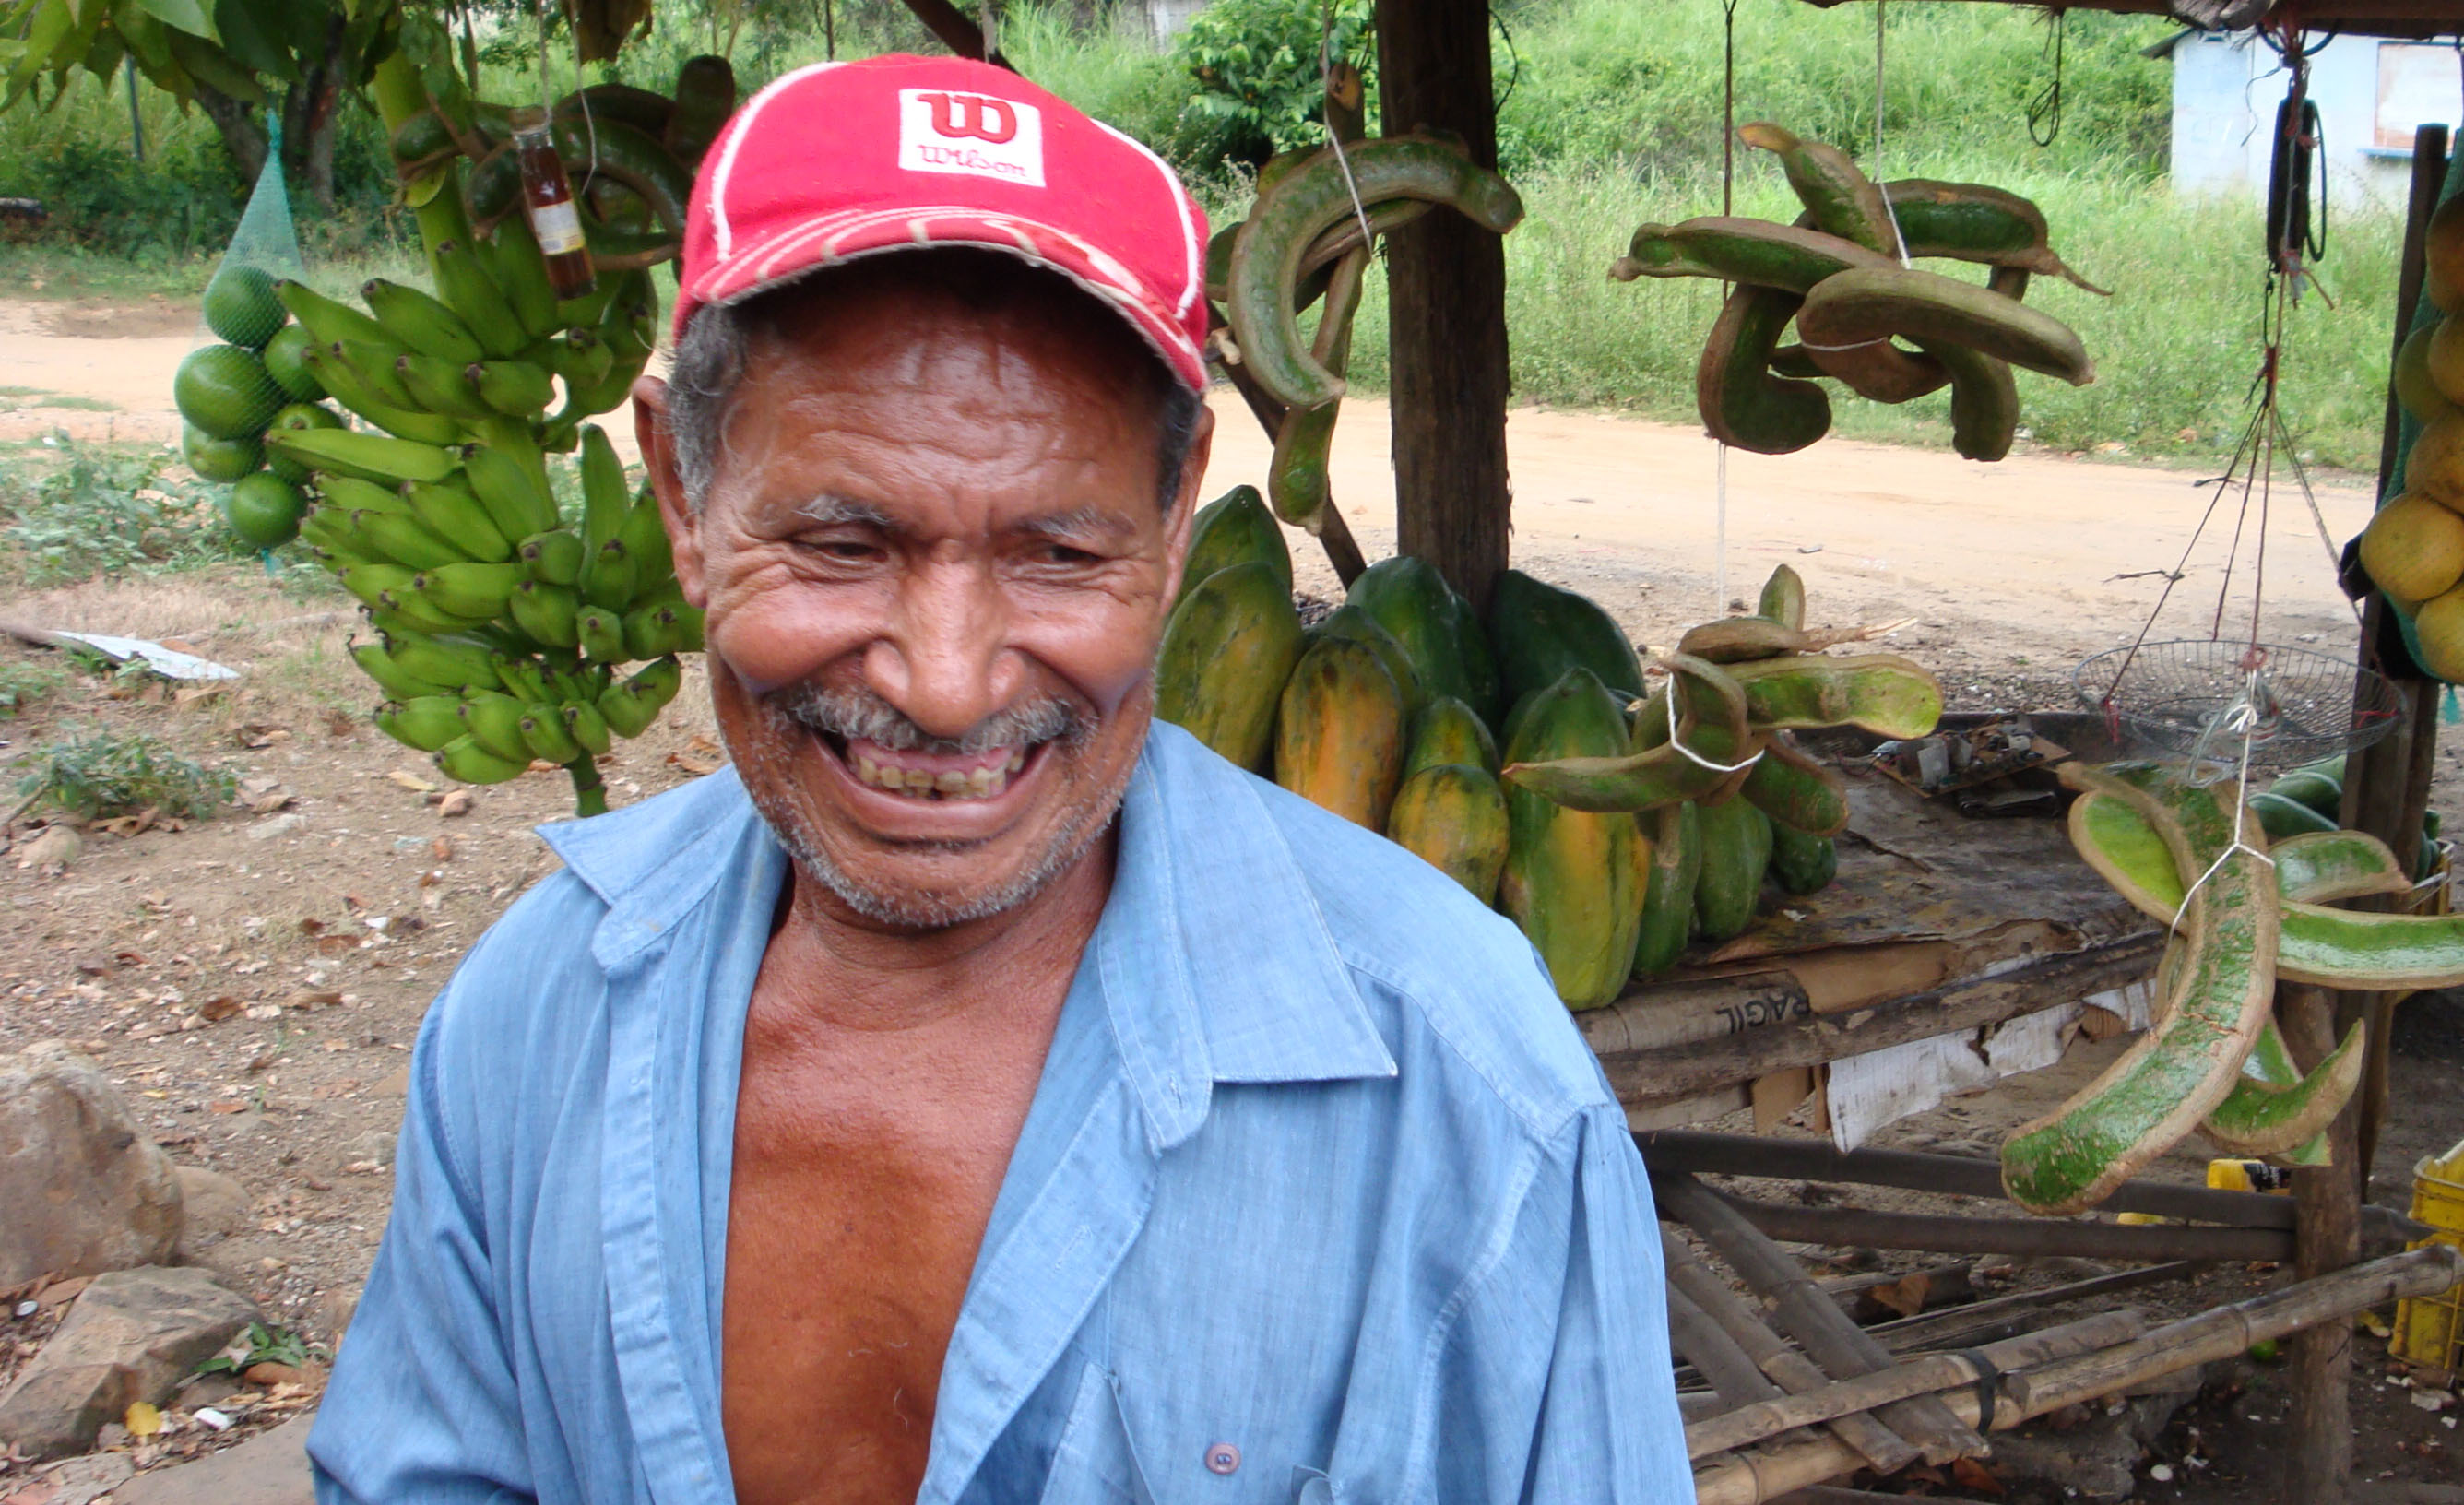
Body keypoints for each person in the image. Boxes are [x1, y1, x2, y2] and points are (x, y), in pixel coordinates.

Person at [310, 55, 1689, 1505]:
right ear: (680, 495)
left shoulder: (1473, 1101)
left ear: (1174, 522)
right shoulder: (531, 1027)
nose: (948, 683)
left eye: (1058, 555)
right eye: (842, 545)